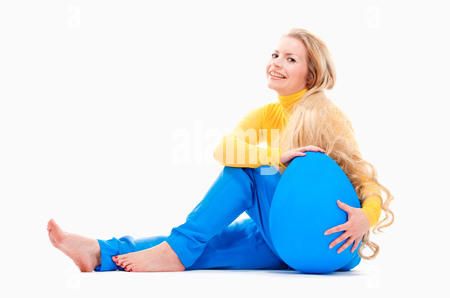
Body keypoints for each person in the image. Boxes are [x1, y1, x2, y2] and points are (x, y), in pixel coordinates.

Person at [47, 28, 394, 273]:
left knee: (246, 171)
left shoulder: (327, 116)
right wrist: (274, 156)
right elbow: (224, 149)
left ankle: (176, 251)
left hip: (330, 244)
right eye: (275, 54)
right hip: (285, 240)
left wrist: (367, 217)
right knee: (206, 241)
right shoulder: (265, 114)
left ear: (311, 73)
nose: (276, 62)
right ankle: (99, 252)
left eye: (290, 59)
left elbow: (366, 181)